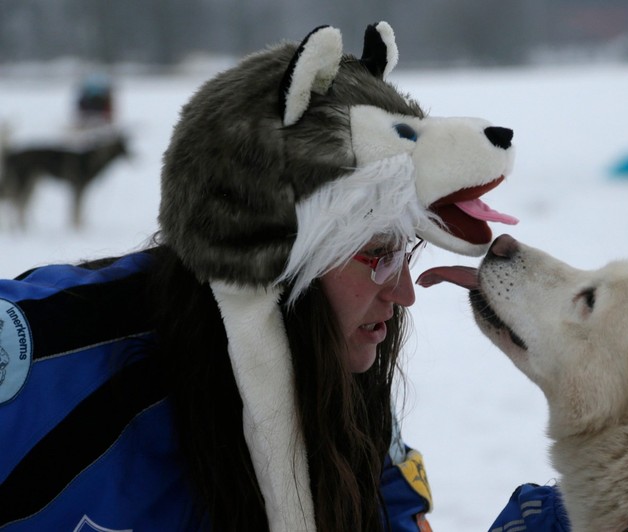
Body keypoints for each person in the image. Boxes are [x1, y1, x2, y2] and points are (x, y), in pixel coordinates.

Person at [0, 22, 525, 532]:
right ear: (272, 255)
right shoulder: (55, 357)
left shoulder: (342, 383)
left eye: (403, 251)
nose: (404, 293)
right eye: (377, 253)